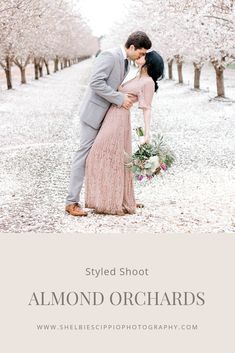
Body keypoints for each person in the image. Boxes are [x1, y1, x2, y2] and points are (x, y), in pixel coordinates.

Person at [65, 31, 152, 216]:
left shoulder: (127, 62)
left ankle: (116, 197)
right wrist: (119, 98)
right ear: (131, 47)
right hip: (93, 114)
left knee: (110, 156)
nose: (141, 56)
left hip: (108, 116)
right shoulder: (109, 56)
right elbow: (96, 83)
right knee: (84, 155)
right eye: (141, 52)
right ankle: (71, 202)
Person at [85, 50, 164, 215]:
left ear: (148, 62)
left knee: (100, 153)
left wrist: (147, 134)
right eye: (140, 54)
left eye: (143, 56)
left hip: (120, 117)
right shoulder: (135, 76)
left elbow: (147, 108)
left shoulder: (148, 82)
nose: (139, 57)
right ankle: (108, 198)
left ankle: (113, 200)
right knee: (106, 156)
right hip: (111, 114)